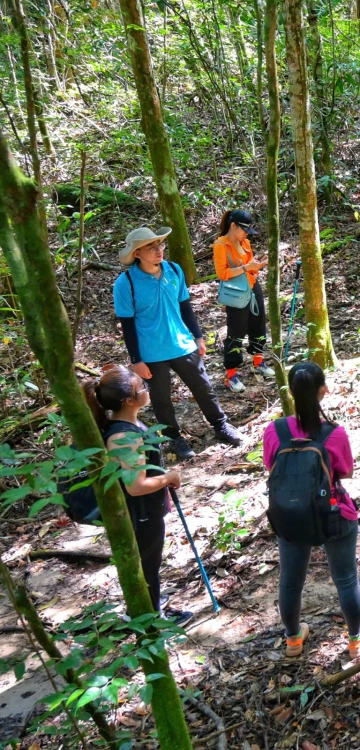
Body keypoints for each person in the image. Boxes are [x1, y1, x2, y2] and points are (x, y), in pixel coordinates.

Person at [263, 362, 360, 659]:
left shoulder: (275, 430)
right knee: (346, 579)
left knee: (290, 582)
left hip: (289, 515)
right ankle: (354, 642)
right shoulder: (334, 434)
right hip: (333, 515)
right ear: (323, 390)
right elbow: (345, 472)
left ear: (293, 393)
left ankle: (294, 641)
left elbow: (271, 467)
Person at [113, 227, 243, 460]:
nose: (158, 250)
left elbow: (185, 306)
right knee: (161, 399)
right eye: (151, 247)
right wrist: (136, 360)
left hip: (183, 343)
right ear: (137, 253)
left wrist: (198, 336)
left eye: (160, 245)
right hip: (151, 352)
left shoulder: (173, 270)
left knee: (203, 387)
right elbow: (127, 323)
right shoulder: (126, 283)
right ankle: (174, 438)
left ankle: (221, 425)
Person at [82, 366, 193, 625]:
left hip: (145, 509)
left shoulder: (129, 422)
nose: (146, 390)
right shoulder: (123, 436)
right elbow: (135, 485)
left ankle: (148, 606)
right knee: (147, 563)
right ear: (129, 400)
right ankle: (150, 617)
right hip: (138, 513)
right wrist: (169, 477)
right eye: (141, 387)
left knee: (150, 561)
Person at [213, 209, 269, 393]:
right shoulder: (221, 245)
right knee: (236, 331)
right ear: (233, 225)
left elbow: (251, 267)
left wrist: (256, 265)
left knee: (258, 322)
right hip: (235, 293)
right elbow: (222, 274)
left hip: (252, 286)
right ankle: (231, 374)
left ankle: (258, 361)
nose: (246, 233)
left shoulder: (245, 242)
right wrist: (246, 267)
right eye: (244, 229)